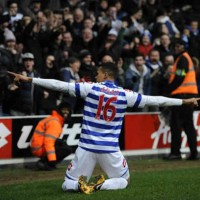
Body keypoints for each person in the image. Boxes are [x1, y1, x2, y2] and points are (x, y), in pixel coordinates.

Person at [8, 62, 200, 194]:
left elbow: (60, 86)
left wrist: (30, 80)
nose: (96, 75)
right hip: (109, 149)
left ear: (106, 74)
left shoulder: (90, 88)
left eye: (98, 72)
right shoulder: (125, 94)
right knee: (124, 181)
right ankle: (103, 185)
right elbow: (155, 100)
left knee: (67, 183)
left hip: (86, 148)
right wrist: (184, 101)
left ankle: (80, 186)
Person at [165, 39, 199, 160]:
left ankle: (175, 153)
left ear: (183, 47)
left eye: (177, 46)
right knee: (189, 126)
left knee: (176, 125)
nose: (175, 48)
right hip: (189, 96)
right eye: (174, 46)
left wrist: (168, 90)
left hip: (181, 96)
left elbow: (180, 77)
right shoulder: (186, 58)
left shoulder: (182, 59)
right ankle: (194, 153)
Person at [30, 101, 72, 170]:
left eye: (68, 110)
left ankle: (45, 162)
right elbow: (49, 142)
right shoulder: (55, 122)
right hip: (40, 148)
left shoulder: (55, 119)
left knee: (61, 143)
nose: (66, 112)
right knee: (66, 149)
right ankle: (46, 163)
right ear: (59, 110)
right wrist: (52, 160)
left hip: (39, 147)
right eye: (64, 110)